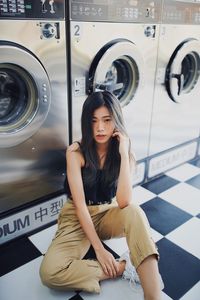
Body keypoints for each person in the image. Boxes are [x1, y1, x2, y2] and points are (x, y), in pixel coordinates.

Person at [40, 91, 163, 300]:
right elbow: (79, 207)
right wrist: (100, 250)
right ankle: (124, 266)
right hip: (77, 217)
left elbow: (123, 202)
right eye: (94, 120)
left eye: (107, 120)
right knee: (50, 273)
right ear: (87, 122)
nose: (100, 128)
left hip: (107, 213)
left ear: (117, 121)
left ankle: (153, 296)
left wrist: (124, 153)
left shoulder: (123, 151)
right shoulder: (75, 153)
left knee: (135, 212)